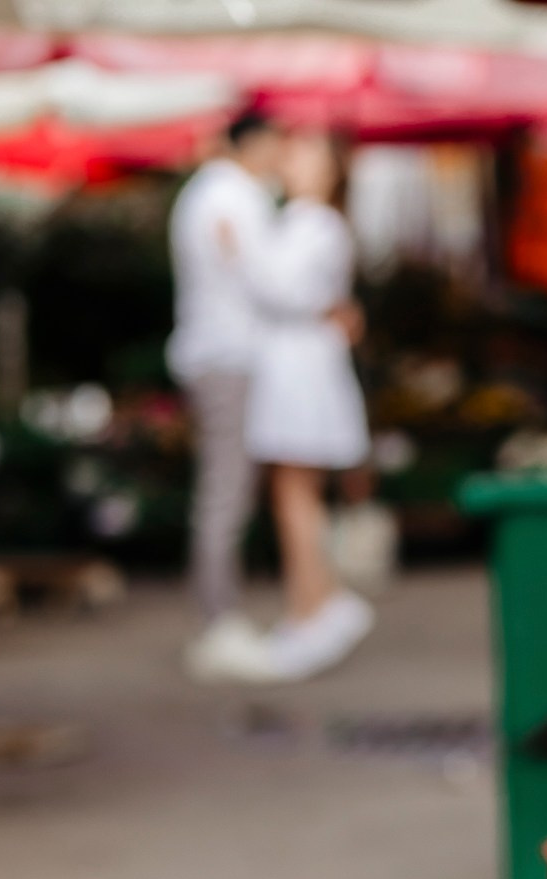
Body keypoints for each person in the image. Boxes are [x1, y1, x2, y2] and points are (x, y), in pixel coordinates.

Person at [238, 129, 374, 681]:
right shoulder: (304, 222)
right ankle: (311, 603)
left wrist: (238, 253)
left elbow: (282, 289)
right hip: (295, 362)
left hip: (300, 368)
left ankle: (314, 606)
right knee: (292, 492)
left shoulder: (314, 224)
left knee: (296, 492)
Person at [169, 109, 285, 682]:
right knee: (225, 489)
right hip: (228, 357)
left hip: (212, 354)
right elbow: (264, 277)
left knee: (224, 487)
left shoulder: (204, 192)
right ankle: (221, 620)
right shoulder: (236, 195)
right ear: (254, 143)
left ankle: (222, 615)